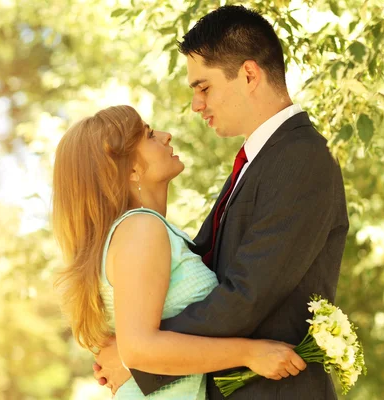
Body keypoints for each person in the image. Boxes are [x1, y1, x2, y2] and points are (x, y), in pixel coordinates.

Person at [93, 5, 349, 400]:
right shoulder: (259, 161)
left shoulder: (302, 157)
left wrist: (136, 354)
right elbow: (205, 276)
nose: (196, 105)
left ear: (248, 74)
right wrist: (133, 341)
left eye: (203, 87)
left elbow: (247, 295)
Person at [52, 105, 306, 399]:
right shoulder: (140, 229)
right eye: (148, 135)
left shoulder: (140, 231)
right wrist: (250, 353)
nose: (165, 135)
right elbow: (139, 350)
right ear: (131, 168)